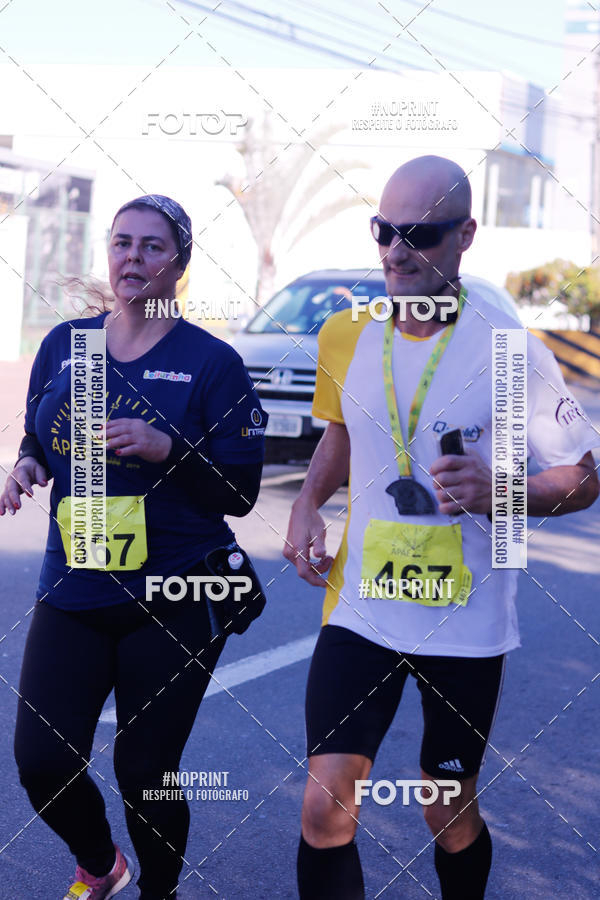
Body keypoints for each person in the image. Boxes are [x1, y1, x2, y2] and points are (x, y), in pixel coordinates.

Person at [283, 155, 600, 900]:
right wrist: (305, 504)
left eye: (418, 233)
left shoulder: (510, 351)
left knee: (445, 803)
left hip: (465, 627)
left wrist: (501, 491)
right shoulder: (347, 335)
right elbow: (341, 432)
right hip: (361, 612)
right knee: (325, 805)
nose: (395, 251)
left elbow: (585, 479)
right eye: (383, 231)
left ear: (465, 235)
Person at [1, 194, 267, 900]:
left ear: (179, 263)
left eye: (153, 247)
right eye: (122, 243)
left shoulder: (212, 362)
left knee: (145, 771)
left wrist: (167, 449)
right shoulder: (69, 344)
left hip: (175, 596)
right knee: (40, 760)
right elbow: (41, 434)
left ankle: (159, 891)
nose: (133, 258)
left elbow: (239, 492)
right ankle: (100, 865)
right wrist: (27, 464)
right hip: (77, 586)